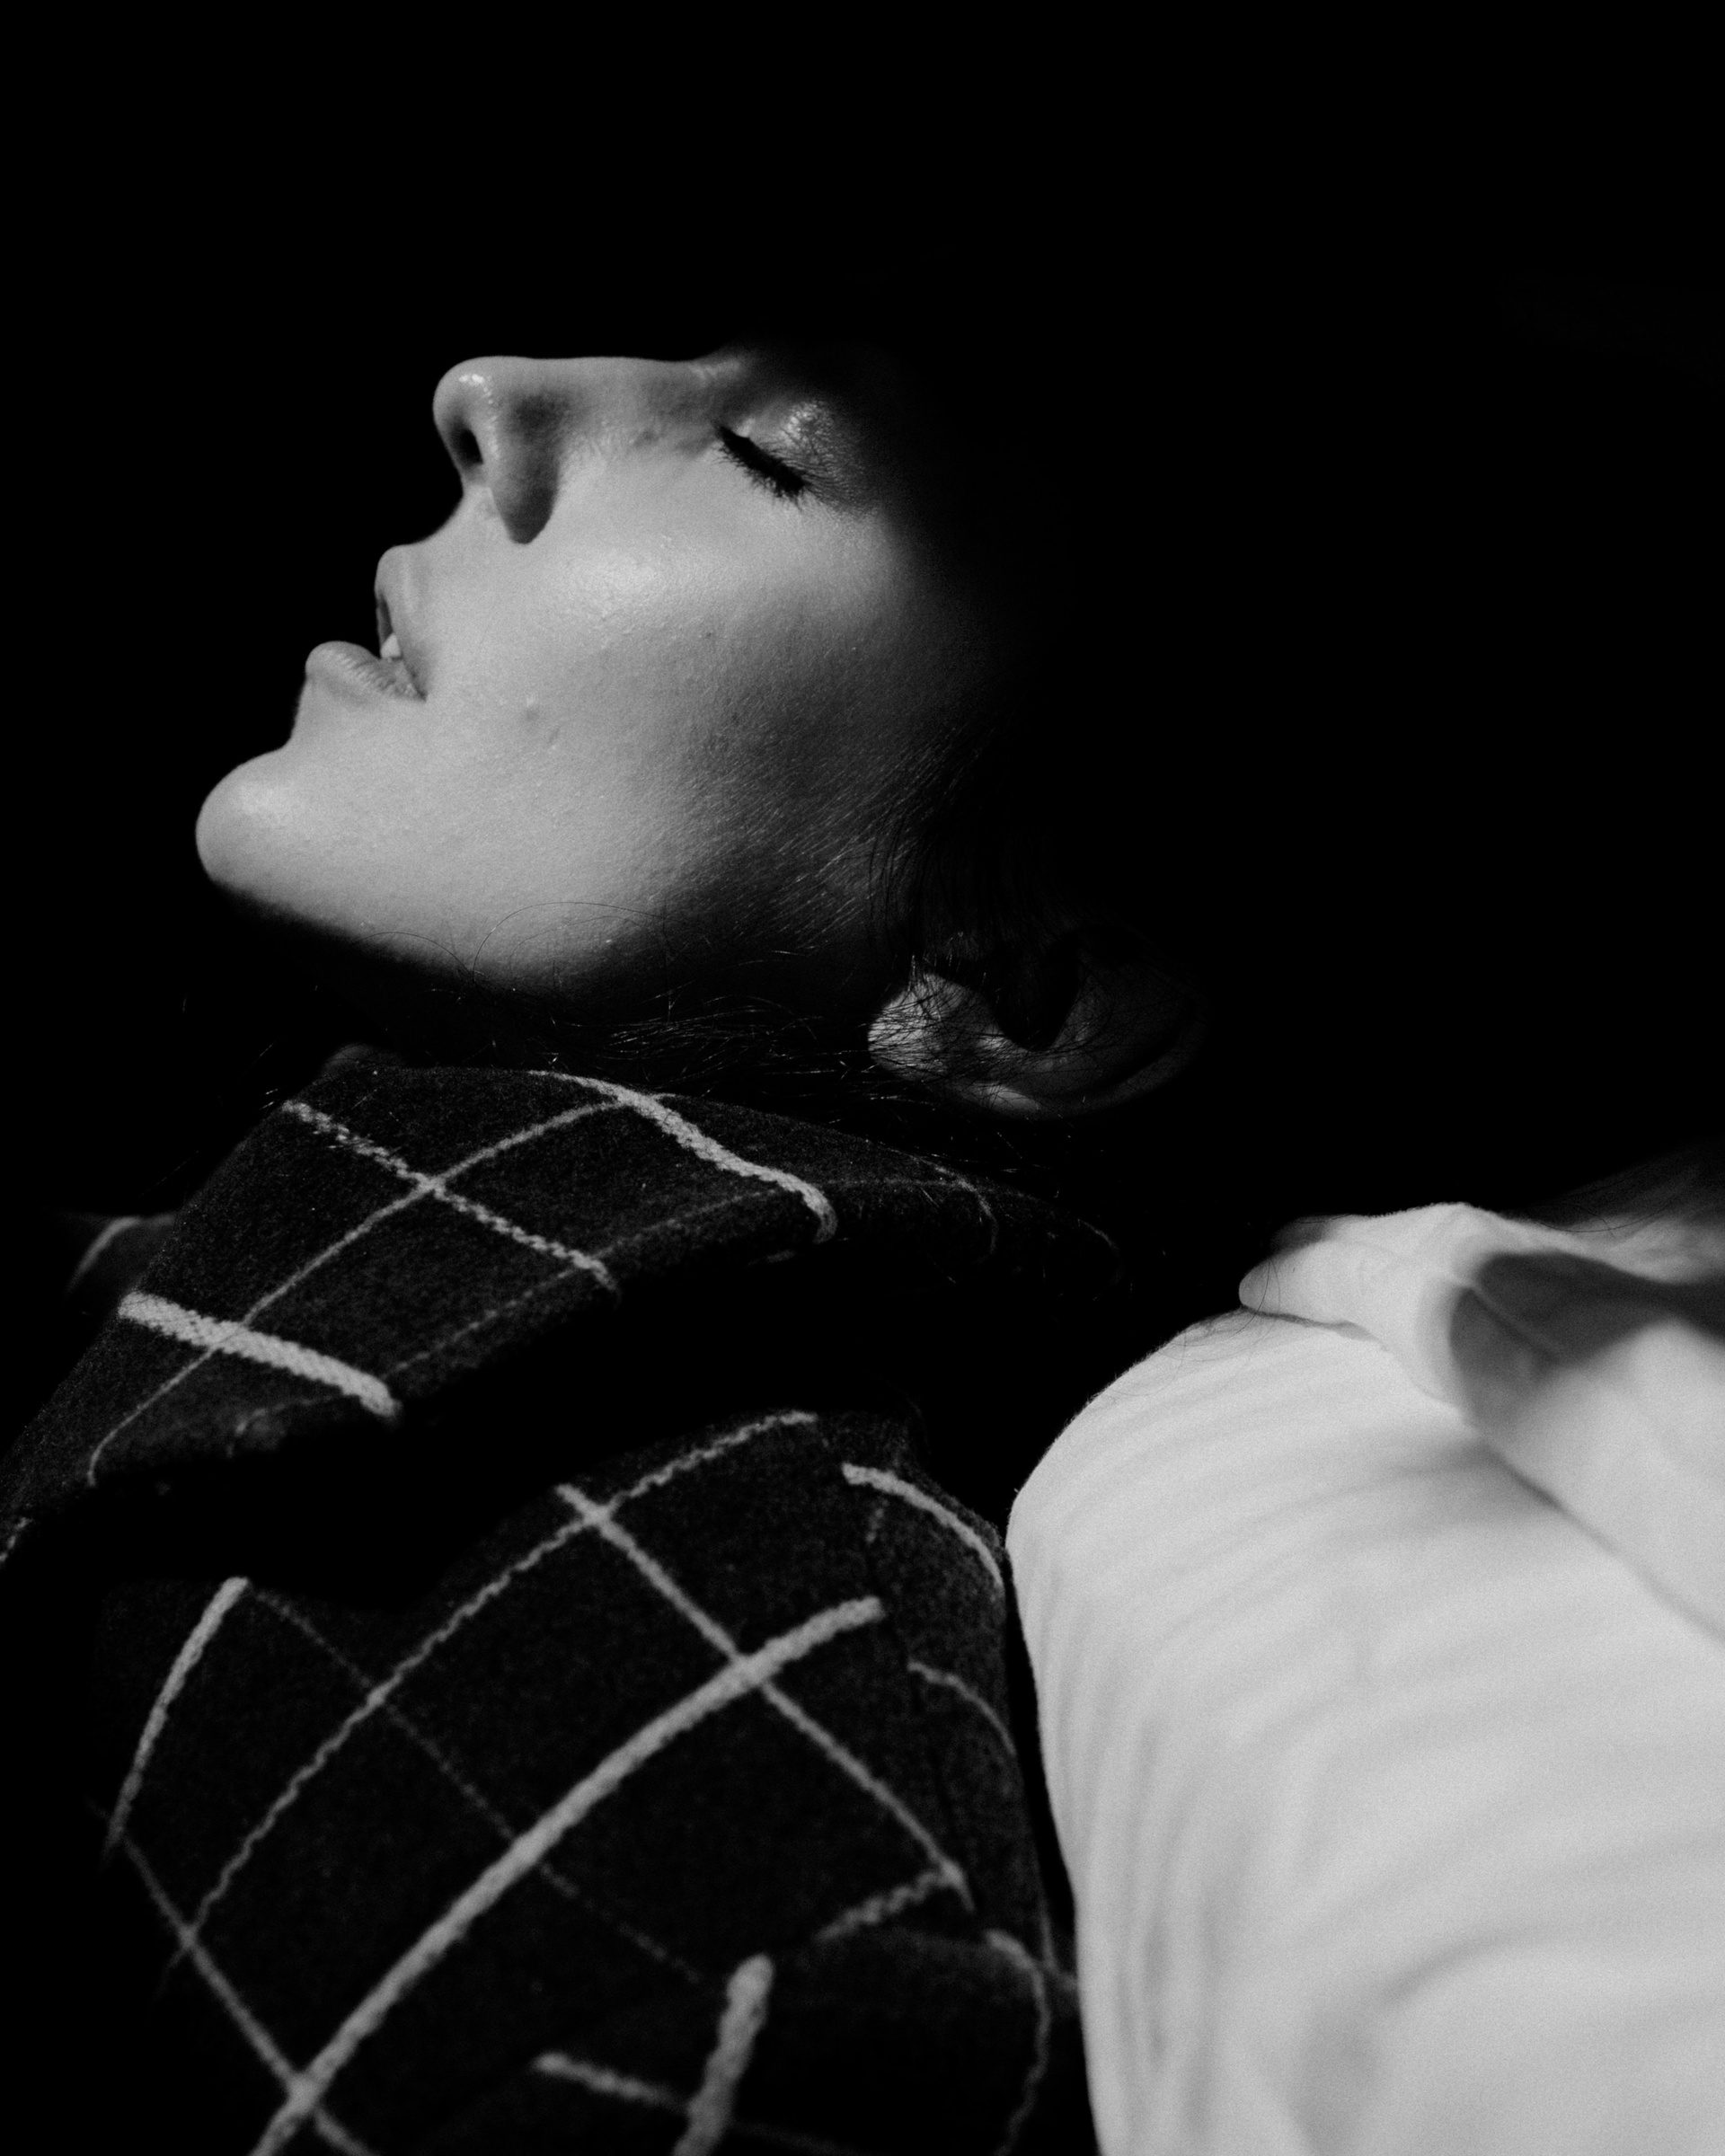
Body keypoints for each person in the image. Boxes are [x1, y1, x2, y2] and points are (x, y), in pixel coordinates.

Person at [4, 270, 1716, 2152]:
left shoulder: (686, 1833)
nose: (490, 391)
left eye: (764, 457)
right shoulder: (385, 1314)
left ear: (1026, 980)